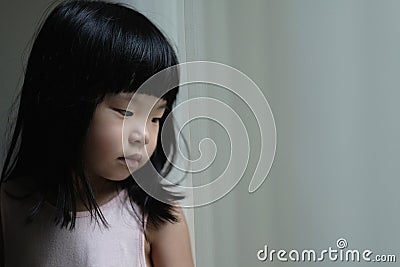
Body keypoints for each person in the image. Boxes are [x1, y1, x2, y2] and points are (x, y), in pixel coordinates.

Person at [0, 1, 194, 266]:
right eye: (125, 112)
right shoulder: (9, 206)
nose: (143, 135)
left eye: (156, 117)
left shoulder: (157, 218)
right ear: (63, 103)